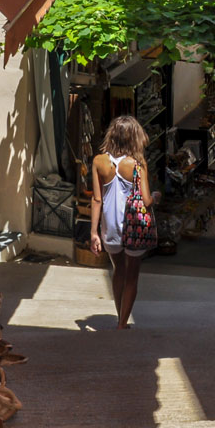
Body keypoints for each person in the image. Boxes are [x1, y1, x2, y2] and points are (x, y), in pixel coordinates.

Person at [90, 115, 156, 329]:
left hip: (109, 226)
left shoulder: (99, 161)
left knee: (118, 269)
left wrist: (93, 233)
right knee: (132, 274)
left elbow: (96, 199)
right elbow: (146, 201)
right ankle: (123, 322)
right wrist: (156, 196)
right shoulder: (137, 164)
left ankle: (120, 315)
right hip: (133, 226)